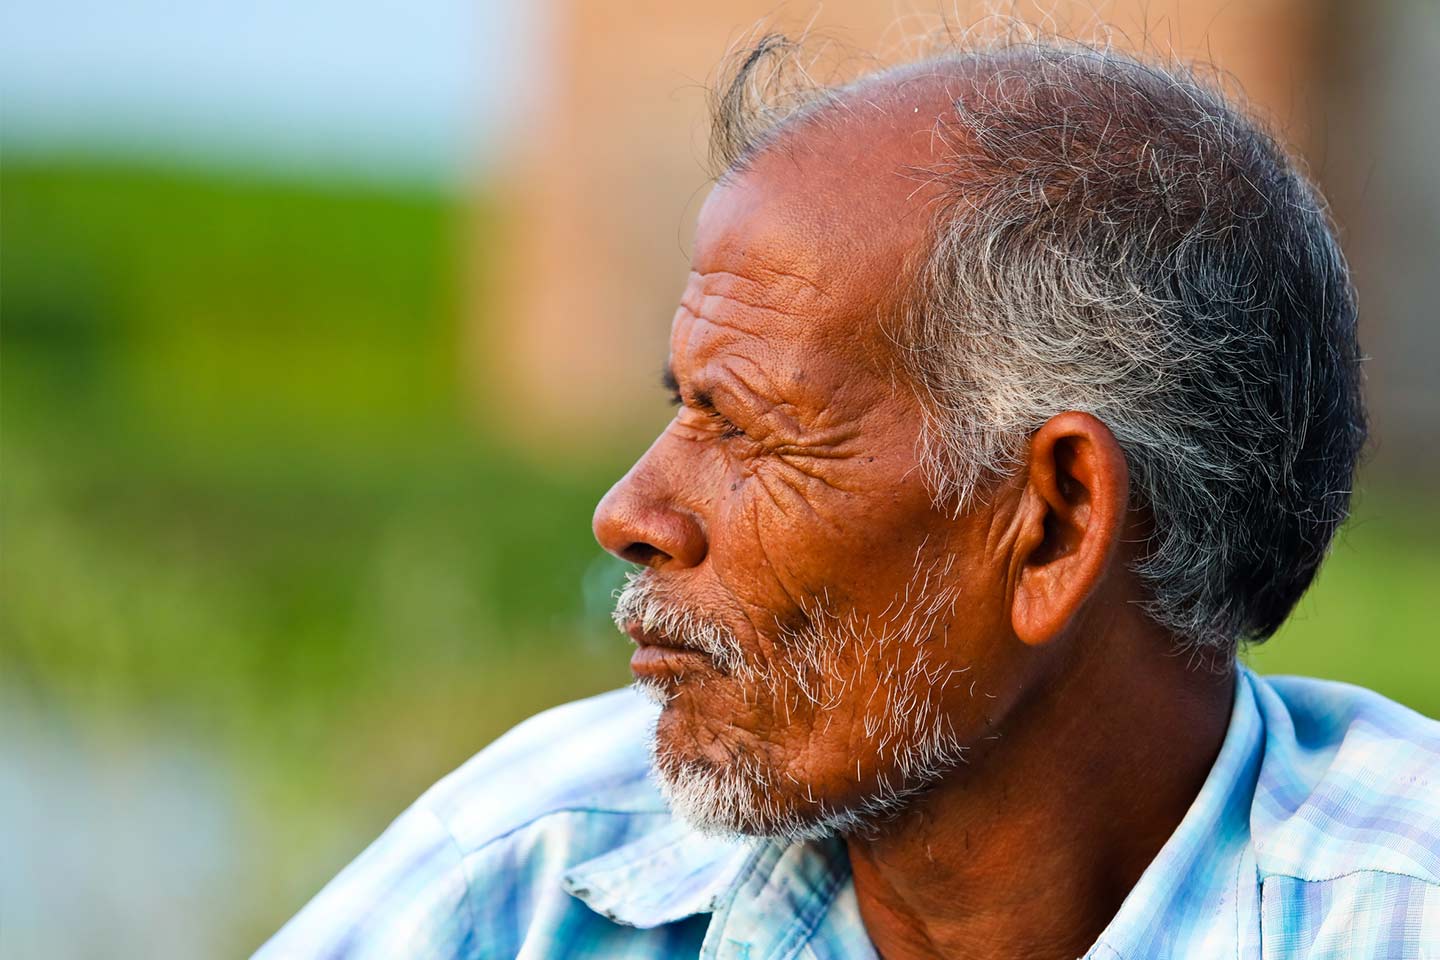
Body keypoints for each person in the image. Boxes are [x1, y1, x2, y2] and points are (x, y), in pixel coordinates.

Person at [255, 35, 1440, 959]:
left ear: (1056, 525)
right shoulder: (534, 872)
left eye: (751, 429)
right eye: (681, 408)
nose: (632, 512)